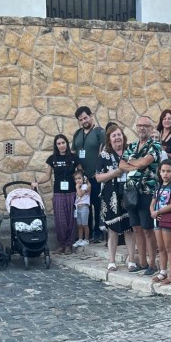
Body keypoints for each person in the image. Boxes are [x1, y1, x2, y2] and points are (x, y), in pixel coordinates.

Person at [120, 116, 162, 275]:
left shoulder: (155, 145)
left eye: (145, 125)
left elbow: (146, 162)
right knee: (136, 228)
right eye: (139, 125)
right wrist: (137, 164)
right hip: (131, 192)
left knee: (148, 229)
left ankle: (152, 264)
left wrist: (132, 163)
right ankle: (142, 262)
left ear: (151, 128)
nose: (142, 128)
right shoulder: (131, 146)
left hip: (147, 192)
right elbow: (121, 164)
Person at [95, 124, 133, 272]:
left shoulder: (130, 152)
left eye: (119, 134)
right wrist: (115, 173)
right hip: (111, 197)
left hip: (129, 195)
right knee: (112, 229)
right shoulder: (104, 156)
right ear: (109, 140)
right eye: (114, 135)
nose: (117, 138)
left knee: (129, 228)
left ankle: (131, 260)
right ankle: (111, 261)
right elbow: (98, 177)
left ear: (123, 136)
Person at [36, 134, 79, 254]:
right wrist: (37, 182)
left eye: (63, 143)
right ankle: (62, 244)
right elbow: (47, 175)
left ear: (67, 143)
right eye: (59, 143)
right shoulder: (52, 159)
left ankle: (69, 245)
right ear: (56, 145)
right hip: (58, 193)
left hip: (72, 192)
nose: (61, 145)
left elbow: (80, 172)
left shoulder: (74, 157)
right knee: (60, 220)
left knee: (71, 219)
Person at [72, 105, 106, 242]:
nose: (84, 121)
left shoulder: (99, 132)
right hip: (82, 178)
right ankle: (88, 233)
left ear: (91, 116)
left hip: (95, 176)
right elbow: (74, 153)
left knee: (97, 205)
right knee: (85, 204)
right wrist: (78, 170)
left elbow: (102, 152)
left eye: (85, 118)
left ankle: (97, 232)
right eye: (80, 120)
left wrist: (97, 171)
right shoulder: (77, 134)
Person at [150, 161, 171, 285]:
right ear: (159, 172)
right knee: (161, 247)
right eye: (163, 171)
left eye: (168, 171)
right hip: (157, 219)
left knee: (169, 247)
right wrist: (152, 211)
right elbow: (153, 202)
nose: (165, 174)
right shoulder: (158, 186)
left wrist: (158, 212)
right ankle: (162, 272)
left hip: (168, 219)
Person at [73, 167, 91, 248]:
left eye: (79, 178)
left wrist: (77, 188)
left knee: (84, 224)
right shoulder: (79, 187)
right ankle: (80, 239)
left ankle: (86, 239)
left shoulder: (85, 186)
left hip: (84, 207)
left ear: (83, 178)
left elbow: (80, 195)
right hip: (78, 208)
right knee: (79, 225)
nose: (78, 180)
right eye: (76, 179)